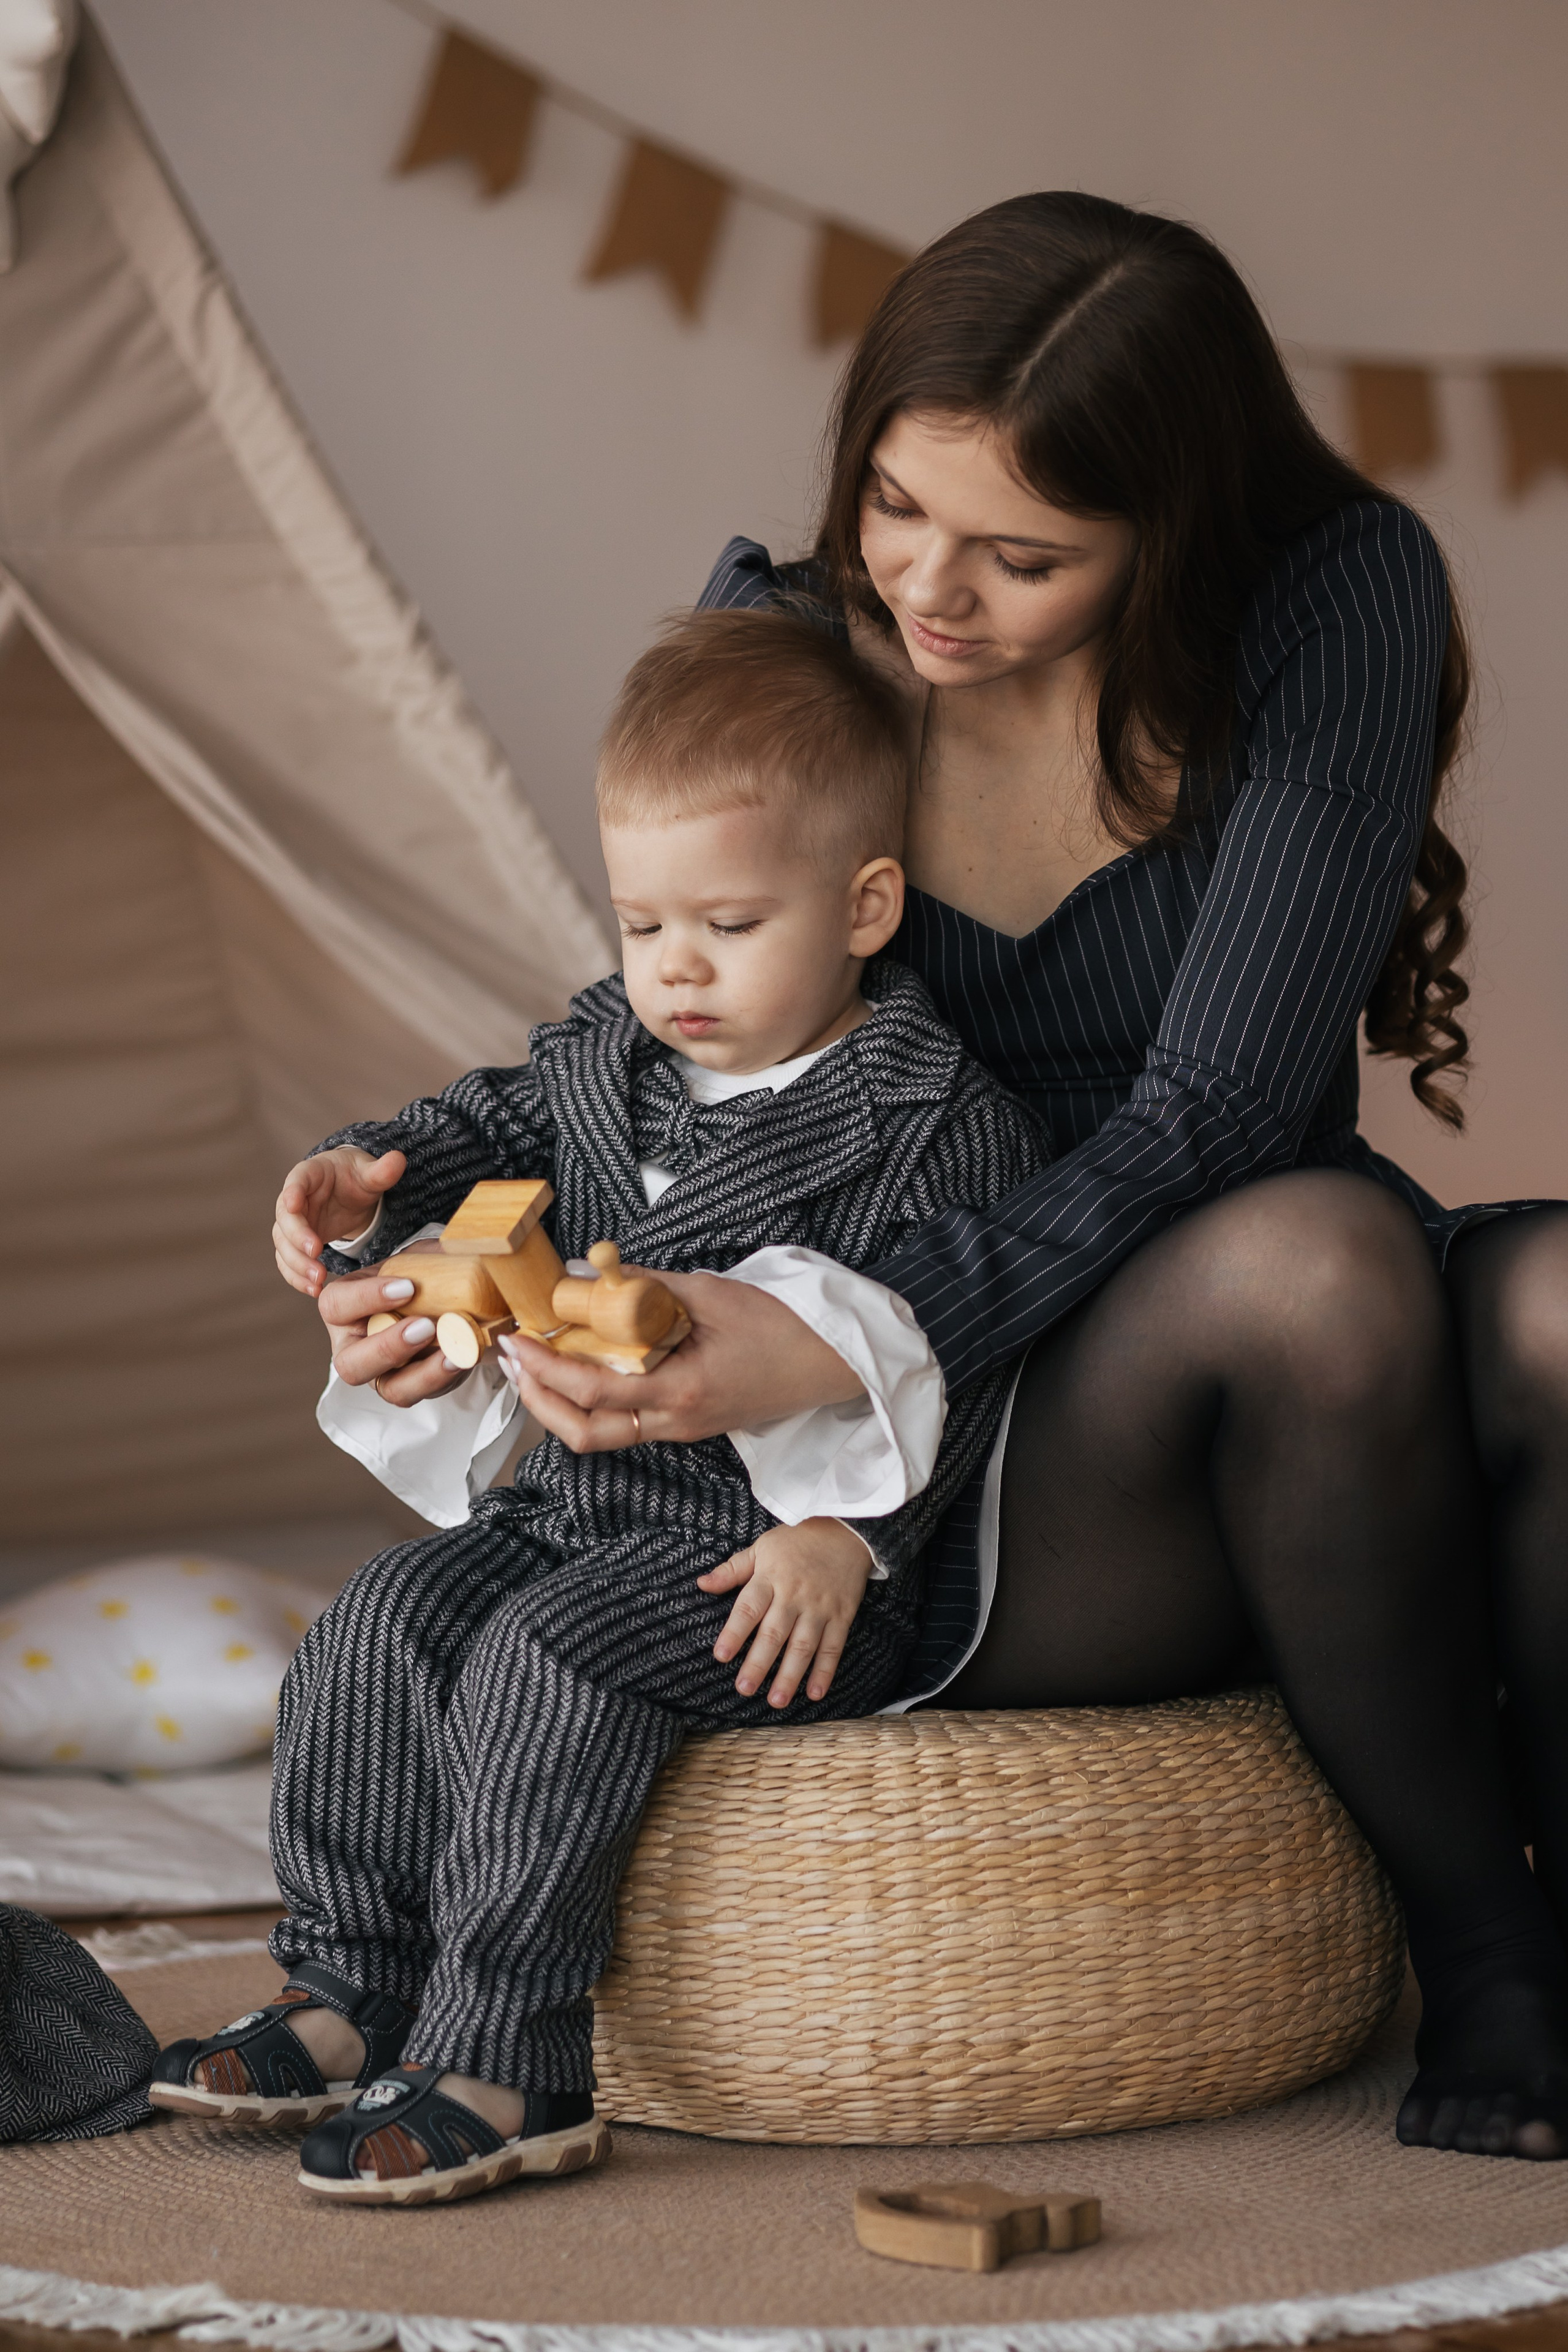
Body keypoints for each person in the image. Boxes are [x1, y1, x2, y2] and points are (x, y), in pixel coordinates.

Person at [500, 193, 1568, 2163]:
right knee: (1322, 1270)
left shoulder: (1333, 594)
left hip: (1160, 1343)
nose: (929, 590)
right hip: (962, 1456)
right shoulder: (796, 629)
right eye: (898, 504)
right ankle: (1491, 1958)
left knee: (1551, 1302)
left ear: (1174, 524)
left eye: (1026, 556)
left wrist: (837, 1327)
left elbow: (1223, 1115)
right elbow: (670, 1022)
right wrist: (436, 1232)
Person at [148, 609, 1049, 2206]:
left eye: (726, 921)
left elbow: (961, 1350)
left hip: (761, 1556)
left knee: (543, 1661)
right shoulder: (605, 1060)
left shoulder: (934, 1119)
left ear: (863, 907)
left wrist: (859, 1540)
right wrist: (364, 1182)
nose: (675, 970)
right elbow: (475, 1122)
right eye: (642, 924)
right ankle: (352, 1982)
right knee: (386, 1616)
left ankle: (512, 2055)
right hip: (573, 1504)